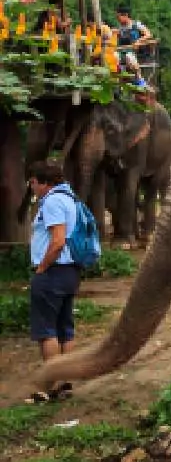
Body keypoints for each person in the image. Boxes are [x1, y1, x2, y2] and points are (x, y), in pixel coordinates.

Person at [26, 161, 81, 403]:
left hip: (53, 272)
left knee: (46, 330)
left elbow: (57, 241)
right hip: (70, 273)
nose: (32, 186)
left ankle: (50, 387)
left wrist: (41, 268)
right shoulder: (71, 200)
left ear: (44, 183)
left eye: (34, 182)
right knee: (64, 329)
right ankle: (64, 383)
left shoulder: (52, 202)